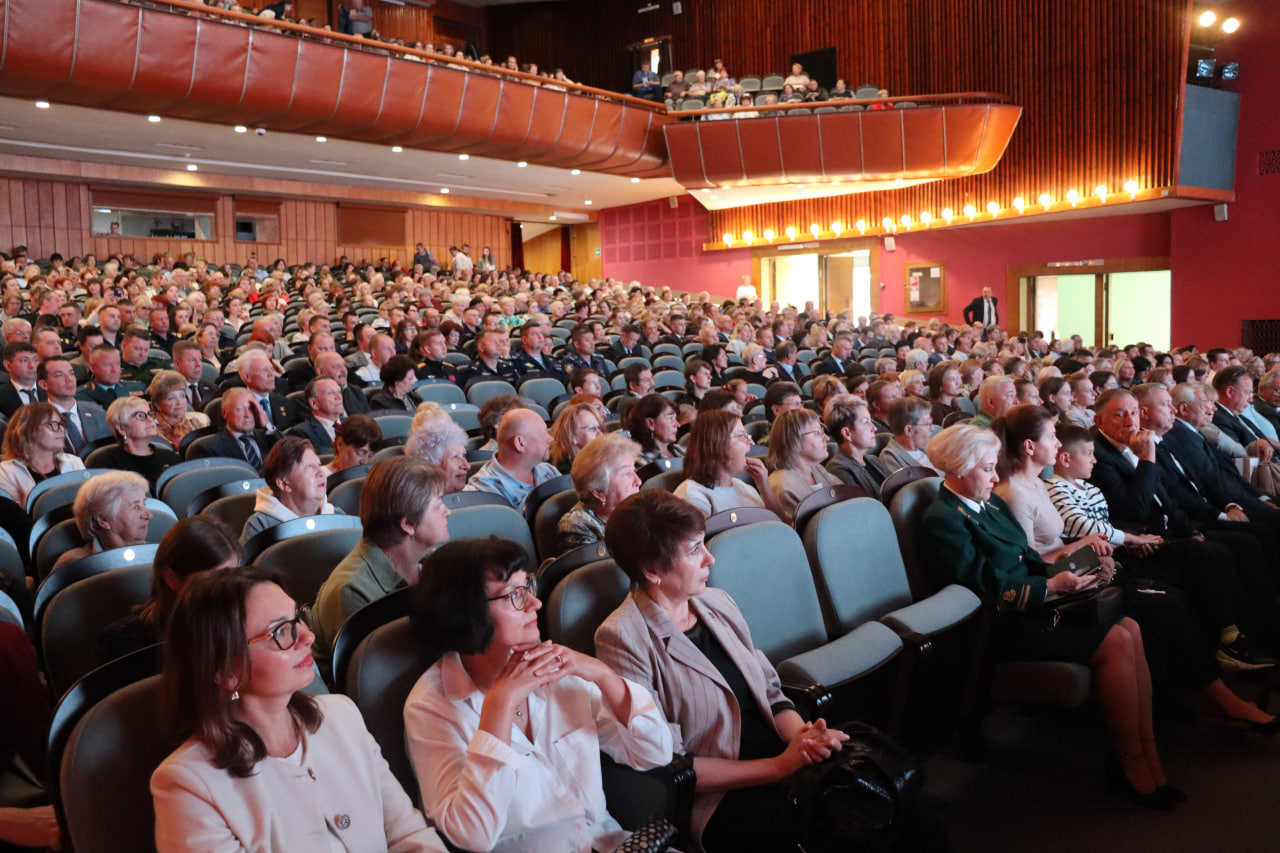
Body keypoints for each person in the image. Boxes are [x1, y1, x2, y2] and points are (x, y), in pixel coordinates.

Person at [596, 491, 947, 852]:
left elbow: (770, 690)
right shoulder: (622, 637)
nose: (710, 558)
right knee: (846, 832)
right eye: (693, 550)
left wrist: (804, 738)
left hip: (783, 755)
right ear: (651, 571)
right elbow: (668, 762)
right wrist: (779, 766)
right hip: (724, 793)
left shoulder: (716, 602)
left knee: (904, 810)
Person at [921, 424, 1178, 807]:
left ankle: (1146, 752)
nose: (995, 476)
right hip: (1003, 627)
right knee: (1116, 639)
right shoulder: (944, 519)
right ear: (958, 468)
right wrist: (1053, 587)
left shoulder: (989, 503)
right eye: (988, 468)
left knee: (1130, 627)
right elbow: (984, 587)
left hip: (1037, 611)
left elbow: (1026, 559)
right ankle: (1131, 763)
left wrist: (1068, 572)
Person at [403, 537, 672, 853]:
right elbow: (472, 833)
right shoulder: (431, 707)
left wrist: (602, 674)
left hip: (610, 844)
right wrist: (500, 704)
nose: (535, 604)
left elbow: (656, 752)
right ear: (465, 611)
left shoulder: (553, 667)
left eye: (527, 587)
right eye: (514, 595)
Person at [151, 567, 446, 853]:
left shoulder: (341, 716)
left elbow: (408, 835)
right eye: (281, 631)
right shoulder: (188, 784)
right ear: (225, 669)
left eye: (297, 618)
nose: (307, 637)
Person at [313, 457, 450, 662]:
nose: (447, 511)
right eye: (438, 505)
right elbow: (375, 673)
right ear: (408, 524)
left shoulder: (430, 560)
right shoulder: (352, 591)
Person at [98, 516, 240, 665]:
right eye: (213, 579)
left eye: (233, 575)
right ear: (172, 579)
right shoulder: (124, 643)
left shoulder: (242, 621)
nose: (227, 589)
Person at [674, 409, 785, 517]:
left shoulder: (743, 487)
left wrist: (765, 490)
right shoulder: (692, 496)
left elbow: (779, 526)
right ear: (717, 445)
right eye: (741, 436)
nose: (751, 442)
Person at [240, 437, 341, 547]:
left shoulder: (338, 516)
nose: (321, 473)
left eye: (319, 464)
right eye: (309, 467)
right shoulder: (260, 527)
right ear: (284, 484)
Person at [51, 470, 152, 572]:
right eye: (135, 507)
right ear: (104, 520)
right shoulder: (75, 565)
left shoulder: (158, 555)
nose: (149, 515)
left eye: (144, 504)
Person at [556, 434, 642, 554]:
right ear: (598, 492)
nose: (638, 481)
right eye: (626, 474)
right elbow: (598, 572)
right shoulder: (577, 526)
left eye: (634, 471)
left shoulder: (638, 509)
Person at [463, 409, 561, 513]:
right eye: (543, 433)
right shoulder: (483, 491)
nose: (550, 438)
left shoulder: (549, 471)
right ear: (520, 443)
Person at [0, 401, 86, 508]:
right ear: (27, 430)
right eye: (52, 425)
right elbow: (16, 517)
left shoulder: (74, 461)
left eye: (61, 424)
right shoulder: (5, 472)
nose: (61, 429)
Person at [765, 408, 839, 523]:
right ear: (793, 440)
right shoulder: (783, 487)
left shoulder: (817, 469)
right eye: (817, 433)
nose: (827, 438)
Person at [94, 395, 182, 488]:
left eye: (149, 414)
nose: (150, 420)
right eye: (140, 416)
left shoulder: (170, 457)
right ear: (122, 429)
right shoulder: (105, 462)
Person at [822, 394, 893, 498]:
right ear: (847, 433)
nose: (874, 428)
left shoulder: (873, 460)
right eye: (866, 422)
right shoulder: (838, 470)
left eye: (871, 421)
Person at [407, 405, 470, 493]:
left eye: (463, 455)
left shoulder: (476, 495)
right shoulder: (418, 505)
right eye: (455, 457)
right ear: (431, 465)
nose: (467, 465)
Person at [879, 395, 941, 473]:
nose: (932, 428)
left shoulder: (926, 446)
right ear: (908, 430)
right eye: (928, 424)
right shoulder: (891, 457)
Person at [626, 393, 683, 465]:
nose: (678, 425)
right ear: (651, 423)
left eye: (676, 418)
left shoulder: (677, 449)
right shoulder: (641, 461)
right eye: (670, 418)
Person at [148, 370, 200, 448]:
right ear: (157, 404)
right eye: (171, 398)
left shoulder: (196, 424)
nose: (179, 402)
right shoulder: (150, 430)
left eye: (182, 396)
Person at [548, 402, 603, 474]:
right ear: (572, 435)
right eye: (592, 429)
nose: (600, 434)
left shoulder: (596, 458)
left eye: (598, 427)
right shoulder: (566, 472)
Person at [322, 415, 380, 479]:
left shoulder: (375, 479)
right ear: (340, 443)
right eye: (360, 452)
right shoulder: (319, 478)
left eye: (370, 455)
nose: (364, 462)